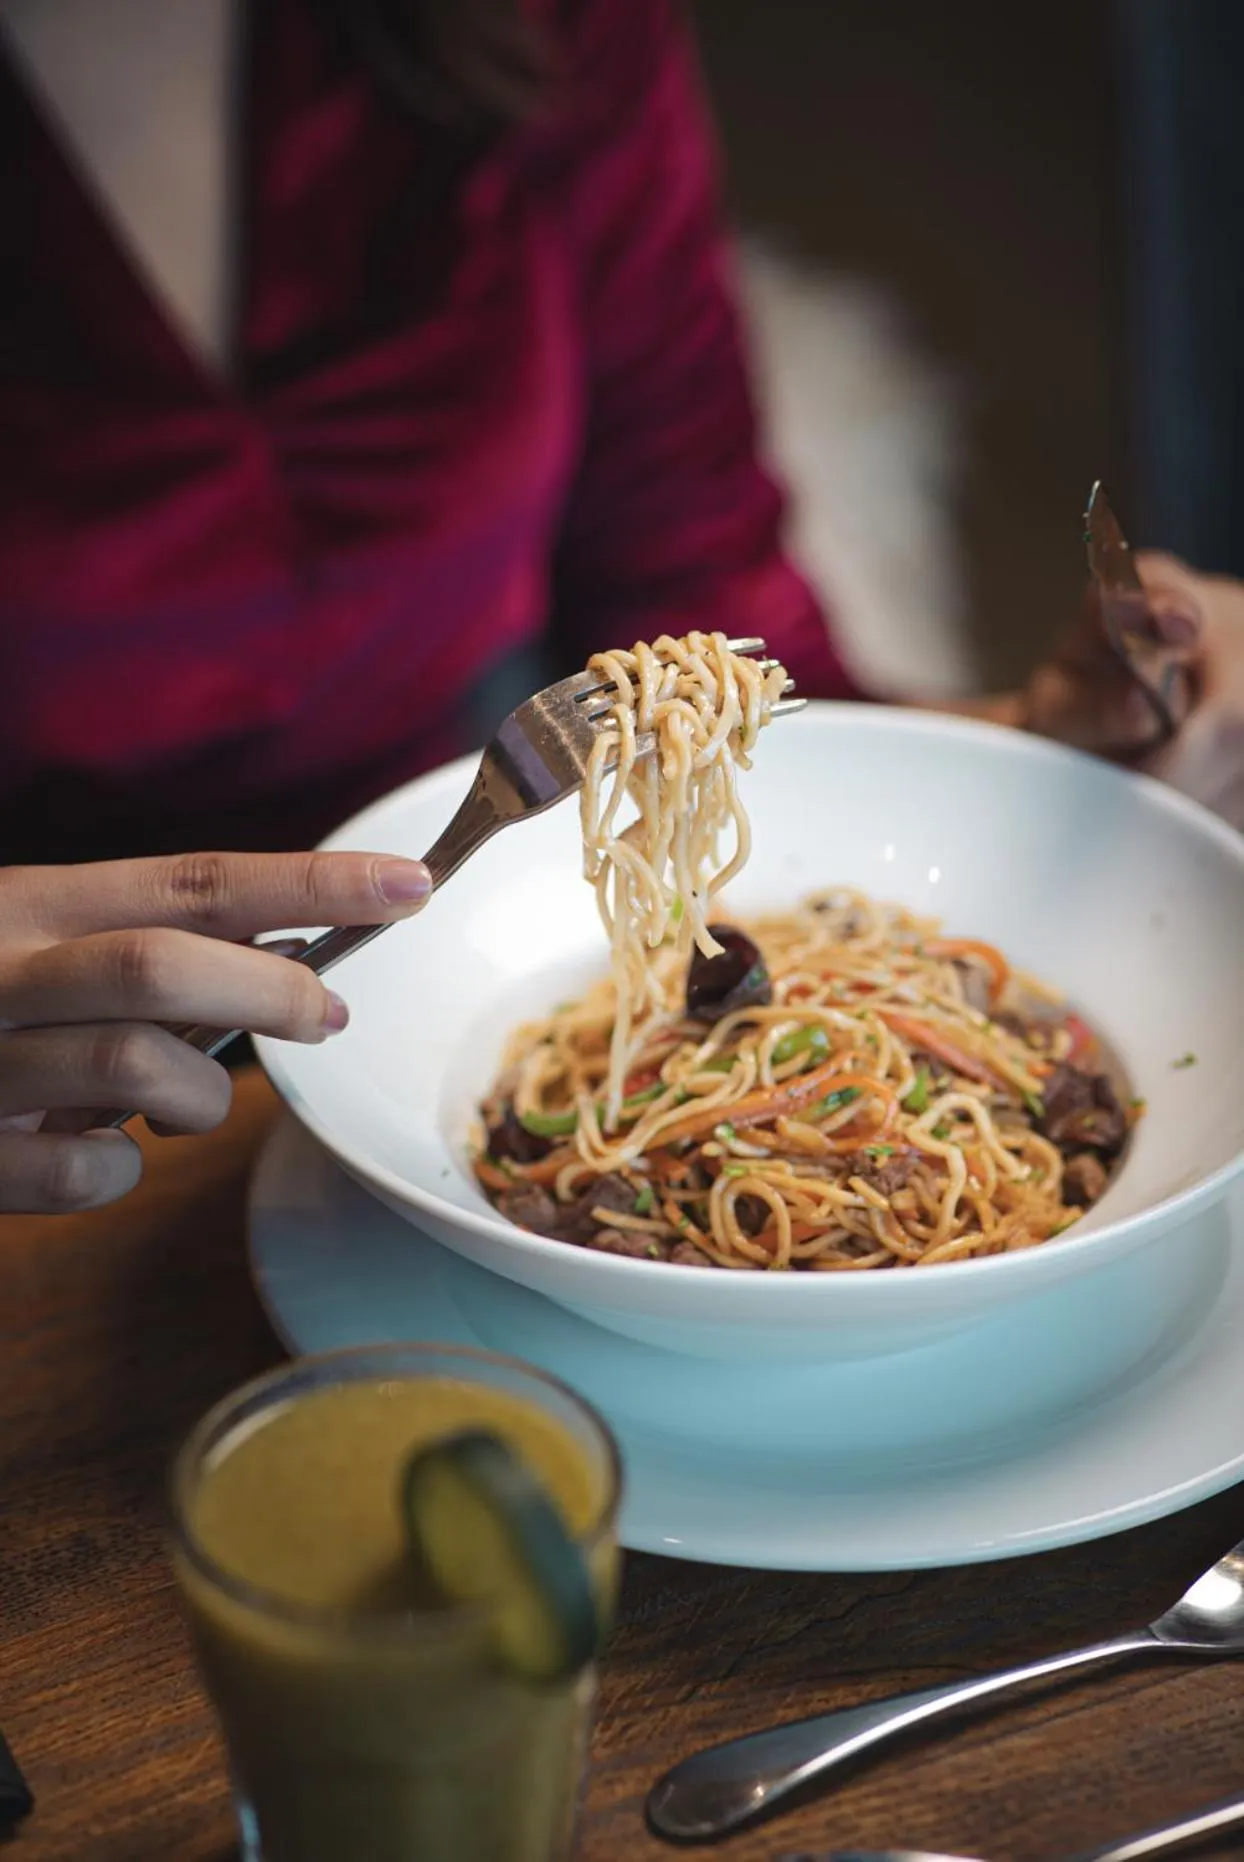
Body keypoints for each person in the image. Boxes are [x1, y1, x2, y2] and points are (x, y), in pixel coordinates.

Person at [0, 0, 1241, 1214]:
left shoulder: (546, 23)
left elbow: (712, 610)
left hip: (431, 925)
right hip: (66, 1106)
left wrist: (1033, 749)